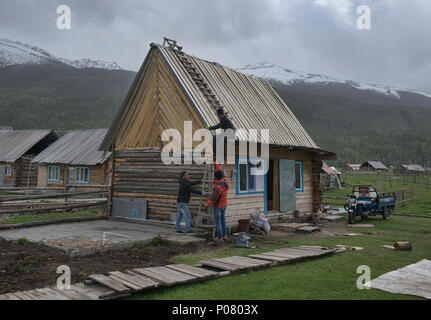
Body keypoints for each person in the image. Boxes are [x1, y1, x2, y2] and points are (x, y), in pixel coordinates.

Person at [205, 164, 229, 242]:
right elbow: (221, 172)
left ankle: (220, 238)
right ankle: (225, 235)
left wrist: (206, 204)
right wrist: (216, 165)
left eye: (214, 175)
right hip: (224, 204)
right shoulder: (225, 182)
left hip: (218, 206)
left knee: (218, 222)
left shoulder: (218, 188)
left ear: (215, 177)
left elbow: (213, 199)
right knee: (223, 220)